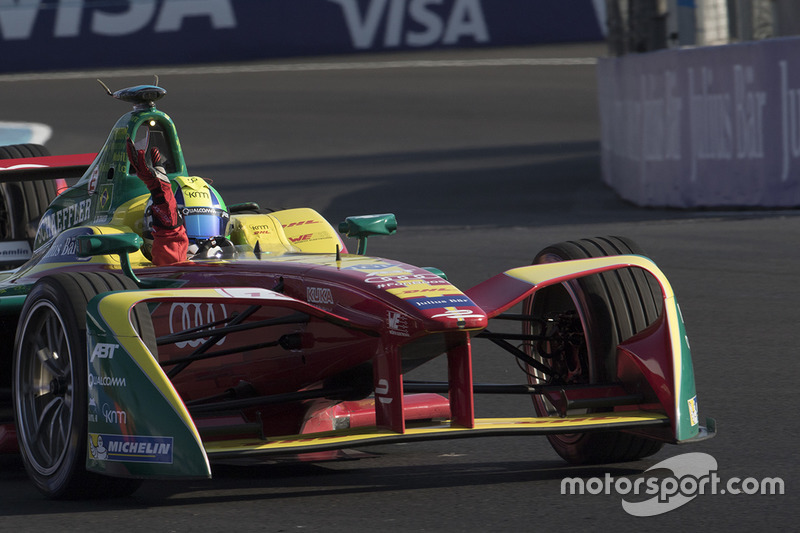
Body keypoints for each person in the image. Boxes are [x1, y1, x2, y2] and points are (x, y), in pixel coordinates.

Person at [127, 138, 234, 264]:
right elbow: (173, 244)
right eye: (189, 228)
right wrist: (160, 195)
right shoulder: (174, 264)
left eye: (209, 226)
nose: (204, 242)